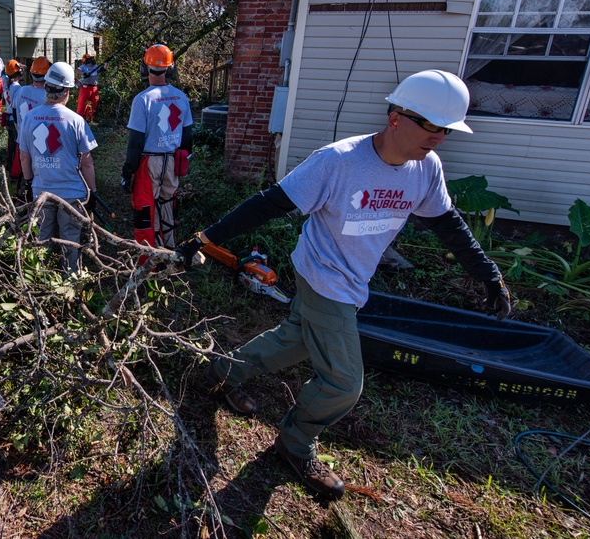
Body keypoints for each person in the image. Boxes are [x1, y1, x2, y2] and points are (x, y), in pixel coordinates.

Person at [175, 70, 512, 502]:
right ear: (397, 117)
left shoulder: (426, 169)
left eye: (446, 129)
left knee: (294, 340)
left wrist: (488, 275)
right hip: (324, 279)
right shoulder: (338, 161)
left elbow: (448, 225)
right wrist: (206, 238)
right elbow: (269, 204)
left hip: (353, 282)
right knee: (343, 383)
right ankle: (294, 445)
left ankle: (218, 371)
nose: (440, 137)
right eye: (432, 126)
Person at [18, 61, 98, 273]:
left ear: (46, 87)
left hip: (42, 190)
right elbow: (87, 162)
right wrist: (93, 192)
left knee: (42, 237)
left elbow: (24, 157)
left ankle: (41, 279)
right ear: (67, 92)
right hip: (72, 194)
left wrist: (28, 182)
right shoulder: (76, 120)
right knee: (71, 239)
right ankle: (71, 281)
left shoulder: (28, 118)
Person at [122, 44, 193, 249]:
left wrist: (128, 172)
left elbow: (135, 142)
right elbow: (188, 137)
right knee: (168, 205)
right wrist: (182, 162)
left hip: (149, 162)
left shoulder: (142, 99)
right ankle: (170, 250)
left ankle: (151, 255)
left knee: (146, 208)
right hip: (172, 160)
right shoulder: (181, 97)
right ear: (170, 69)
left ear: (145, 69)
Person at [12, 57, 51, 199]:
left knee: (24, 172)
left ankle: (22, 197)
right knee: (39, 173)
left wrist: (20, 133)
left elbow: (15, 116)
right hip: (39, 142)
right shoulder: (46, 97)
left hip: (22, 139)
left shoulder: (21, 91)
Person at [2, 59, 24, 188]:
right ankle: (15, 174)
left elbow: (3, 73)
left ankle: (9, 169)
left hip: (8, 117)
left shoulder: (6, 83)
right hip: (14, 118)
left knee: (11, 146)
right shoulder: (18, 89)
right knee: (17, 147)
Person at [76, 53, 103, 123]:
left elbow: (103, 69)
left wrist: (106, 63)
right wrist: (84, 73)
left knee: (94, 102)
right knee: (82, 103)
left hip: (94, 87)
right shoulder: (83, 67)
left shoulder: (96, 67)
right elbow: (77, 71)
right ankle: (79, 119)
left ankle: (89, 119)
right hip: (85, 87)